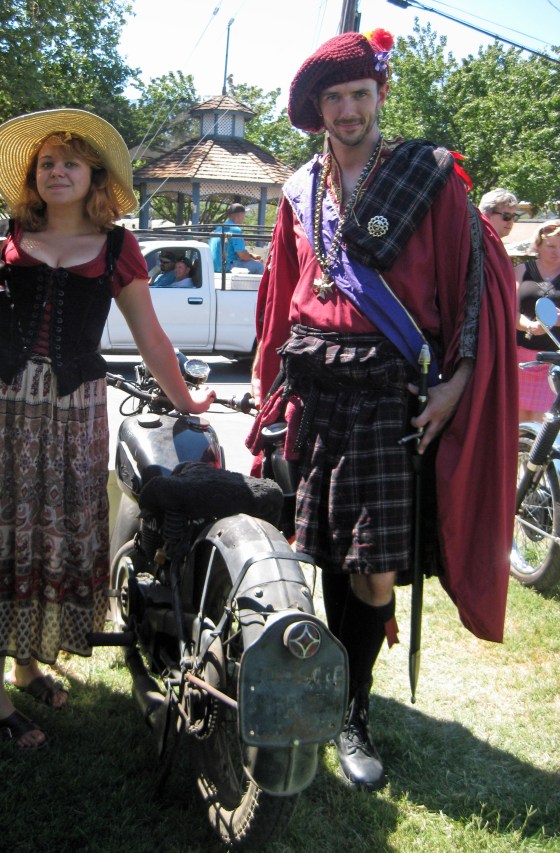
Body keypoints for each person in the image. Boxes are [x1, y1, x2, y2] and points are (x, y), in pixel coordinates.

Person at [249, 30, 517, 792]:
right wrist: (270, 387)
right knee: (323, 557)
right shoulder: (298, 189)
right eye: (333, 99)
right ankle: (334, 694)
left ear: (380, 96)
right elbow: (281, 296)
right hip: (313, 393)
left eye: (359, 94)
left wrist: (458, 385)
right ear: (317, 111)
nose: (348, 110)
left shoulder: (430, 178)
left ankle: (351, 711)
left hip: (385, 398)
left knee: (374, 571)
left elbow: (474, 292)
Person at [0, 109, 215, 750]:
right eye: (46, 164)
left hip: (70, 410)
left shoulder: (118, 247)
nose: (57, 171)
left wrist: (189, 401)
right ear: (34, 178)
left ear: (94, 176)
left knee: (51, 529)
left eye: (71, 162)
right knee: (0, 529)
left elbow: (151, 339)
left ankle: (30, 661)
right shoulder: (8, 237)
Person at [515, 220, 560, 422]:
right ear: (538, 244)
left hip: (553, 363)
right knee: (518, 425)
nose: (556, 252)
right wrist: (529, 326)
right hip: (520, 360)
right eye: (551, 246)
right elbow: (511, 312)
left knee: (545, 424)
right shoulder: (521, 270)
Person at [209, 203, 264, 274]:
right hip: (227, 266)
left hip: (214, 267)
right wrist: (252, 260)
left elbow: (228, 249)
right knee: (259, 266)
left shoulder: (219, 228)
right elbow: (243, 255)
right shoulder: (235, 230)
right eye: (243, 217)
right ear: (239, 216)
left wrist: (250, 255)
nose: (243, 219)